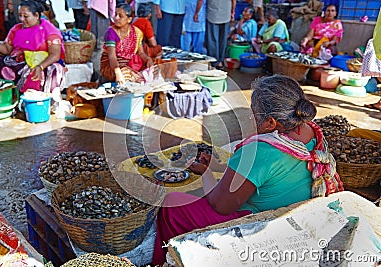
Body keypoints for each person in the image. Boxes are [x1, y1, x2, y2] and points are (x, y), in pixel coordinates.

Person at [152, 74, 344, 265]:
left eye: (253, 113)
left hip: (264, 225)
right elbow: (268, 172)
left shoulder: (259, 150)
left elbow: (222, 205)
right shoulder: (311, 130)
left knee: (173, 204)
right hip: (297, 212)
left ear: (270, 123)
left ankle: (170, 261)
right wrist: (222, 166)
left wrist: (207, 172)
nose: (250, 118)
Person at [0, 0, 66, 94]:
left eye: (26, 16)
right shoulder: (16, 28)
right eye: (20, 15)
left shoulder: (49, 30)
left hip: (44, 63)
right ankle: (1, 95)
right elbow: (7, 49)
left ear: (37, 16)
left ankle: (32, 97)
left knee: (42, 70)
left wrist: (40, 66)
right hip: (19, 62)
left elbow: (55, 55)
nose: (22, 19)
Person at [100, 4, 154, 84]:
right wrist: (117, 72)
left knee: (152, 71)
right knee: (127, 74)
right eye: (115, 15)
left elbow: (141, 53)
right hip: (112, 65)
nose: (116, 18)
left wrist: (148, 60)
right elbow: (112, 57)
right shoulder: (111, 32)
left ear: (129, 19)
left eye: (120, 16)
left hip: (130, 64)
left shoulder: (137, 32)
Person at [202, 0, 236, 69]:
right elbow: (234, 1)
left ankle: (214, 61)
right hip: (226, 13)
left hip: (213, 13)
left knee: (212, 39)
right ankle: (220, 61)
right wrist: (232, 11)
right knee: (222, 39)